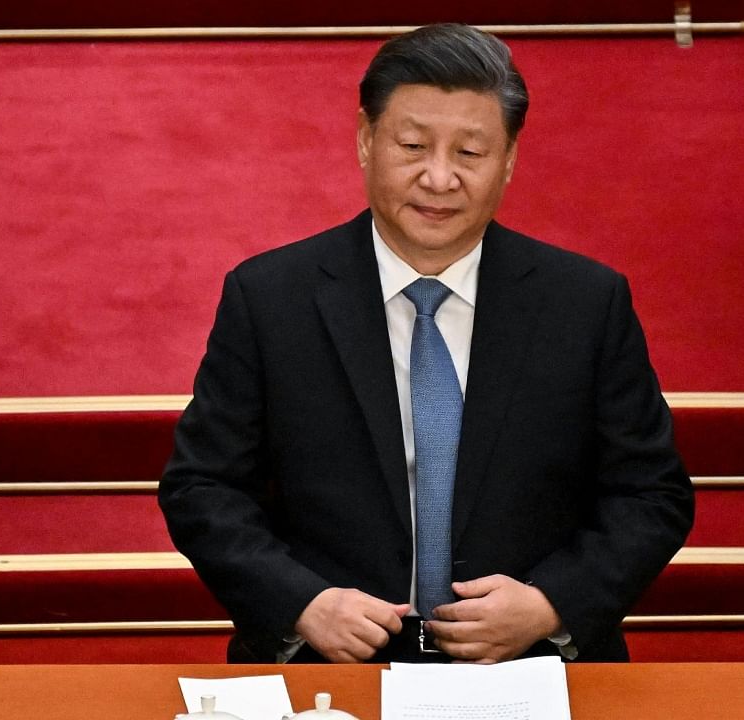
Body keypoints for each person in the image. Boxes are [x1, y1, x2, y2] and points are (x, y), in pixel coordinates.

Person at [159, 23, 693, 664]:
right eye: (412, 145)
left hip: (531, 668)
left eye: (470, 153)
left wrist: (550, 603)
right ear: (365, 140)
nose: (439, 179)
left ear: (510, 159)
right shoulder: (271, 297)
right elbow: (203, 488)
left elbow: (652, 494)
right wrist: (303, 603)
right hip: (330, 666)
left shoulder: (584, 303)